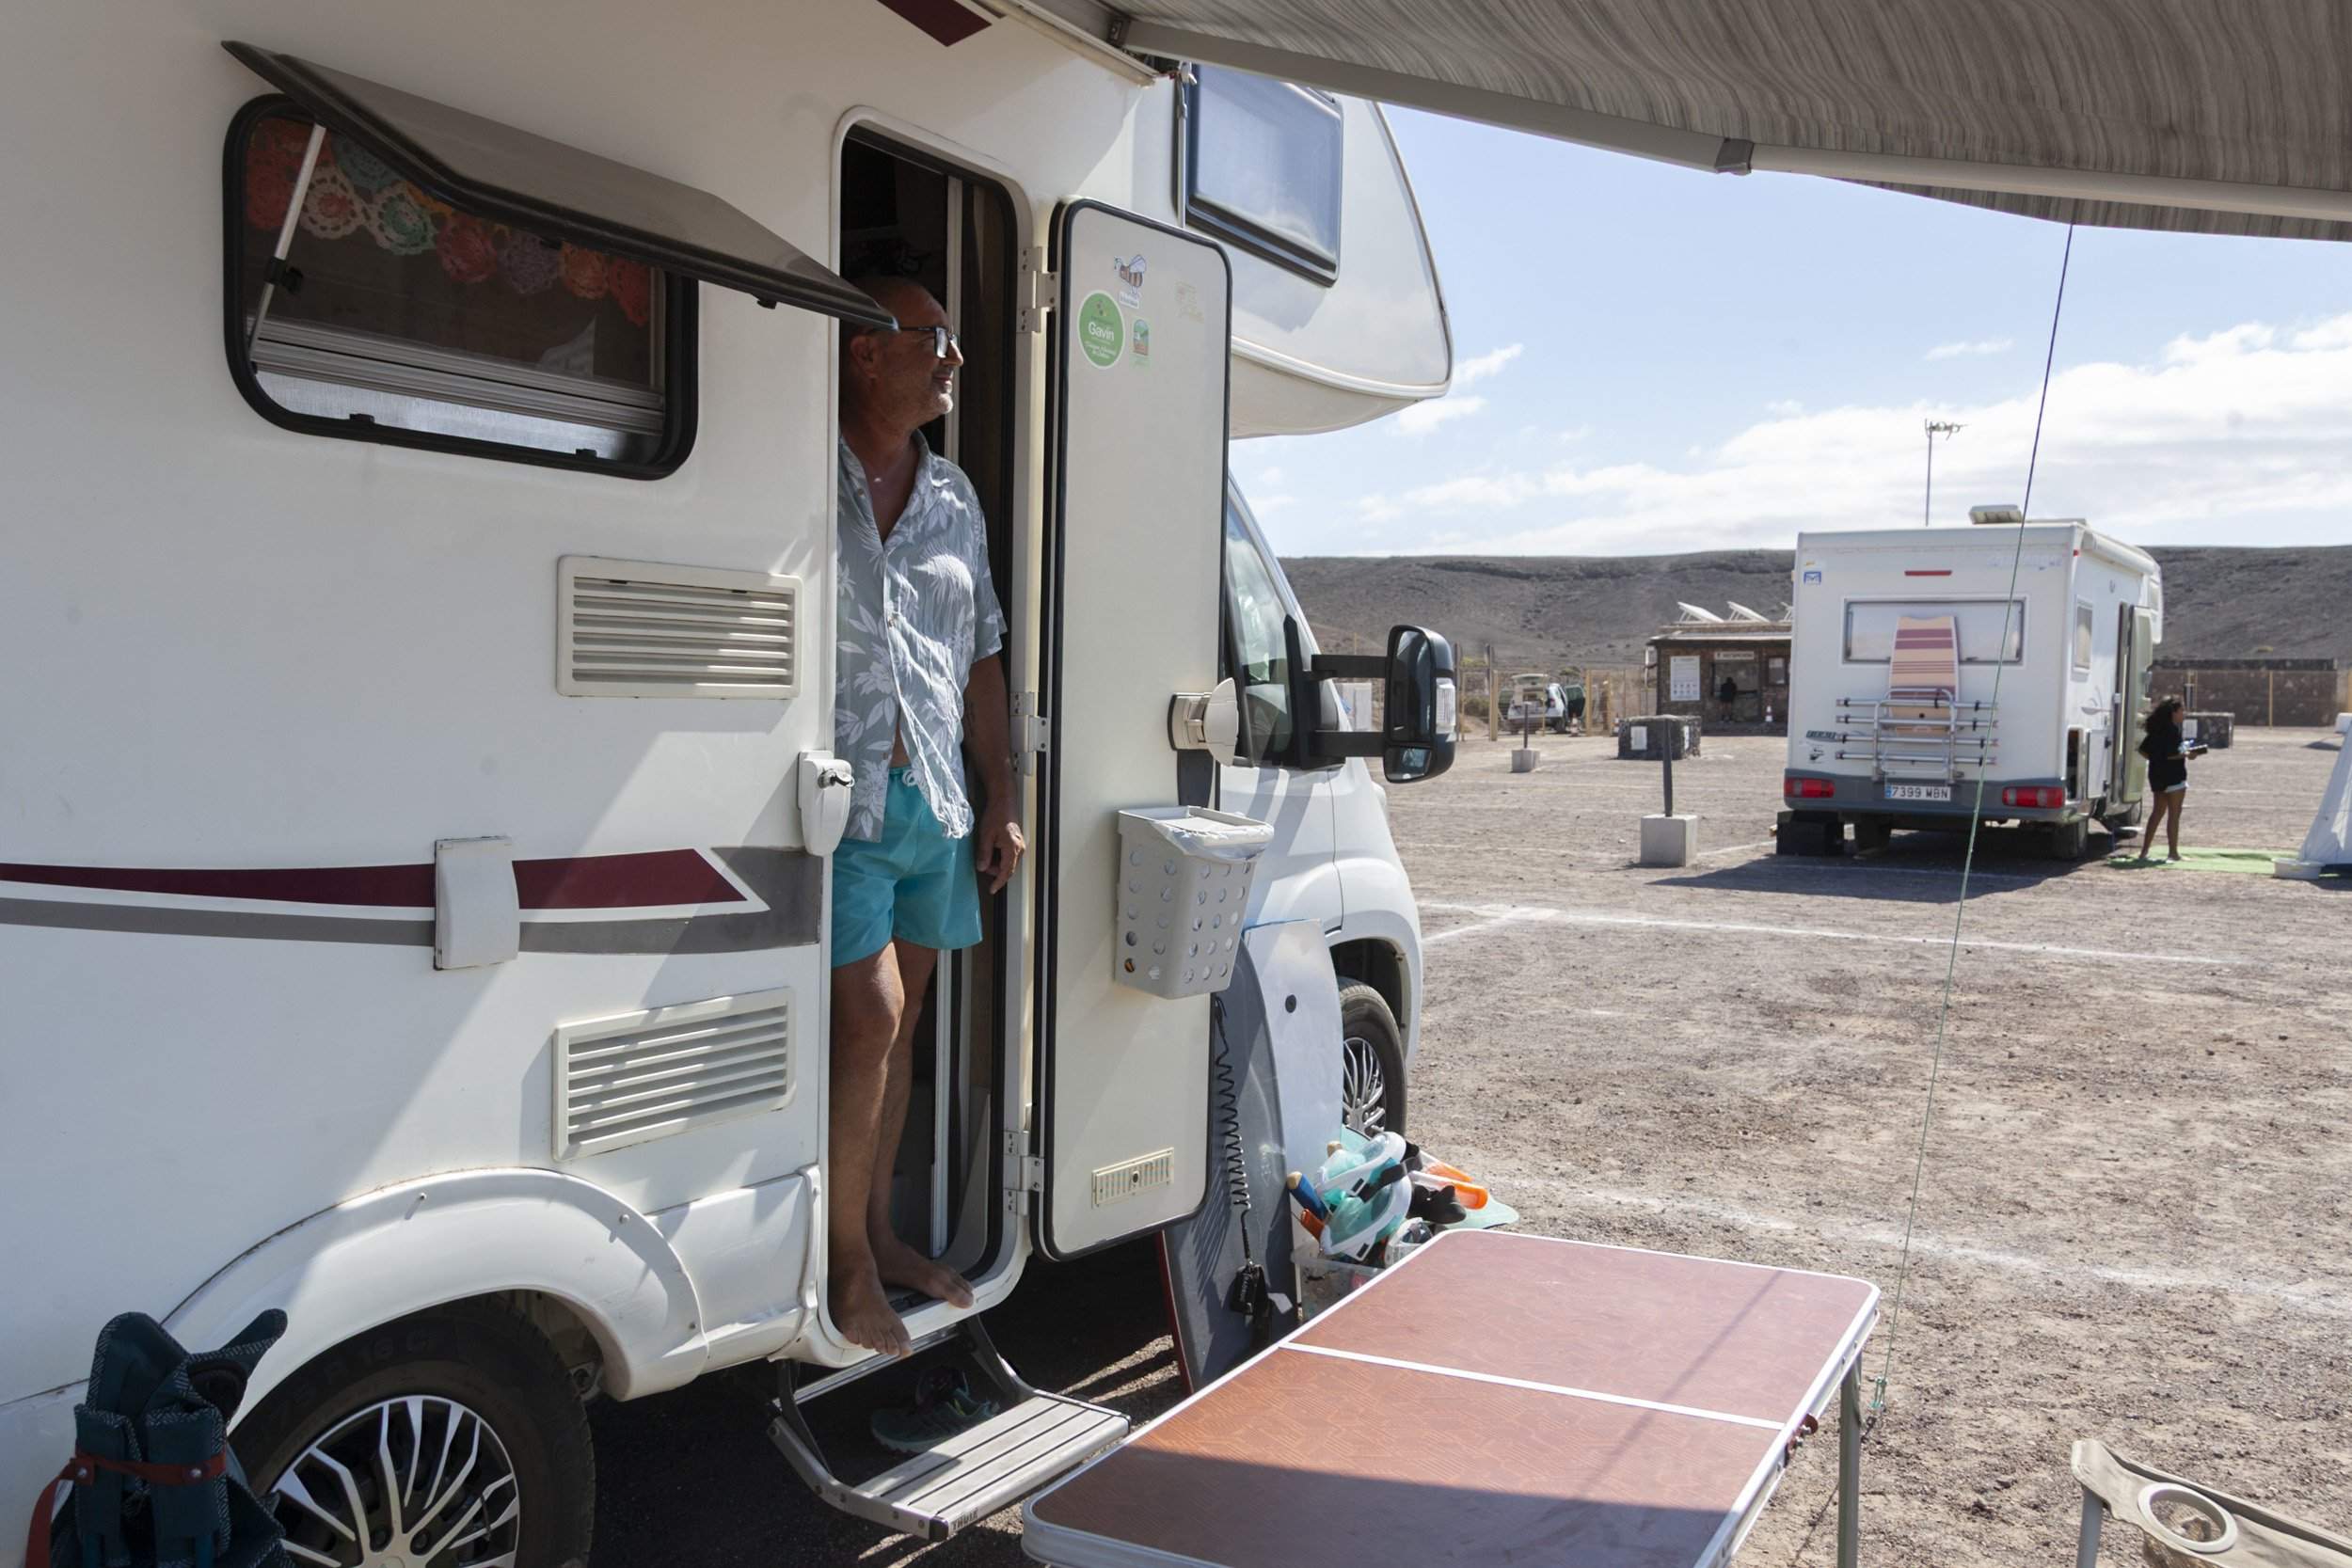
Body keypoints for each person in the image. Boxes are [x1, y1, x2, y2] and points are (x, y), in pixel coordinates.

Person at [829, 274, 1025, 1356]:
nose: (954, 358)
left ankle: (880, 1234)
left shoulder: (951, 492)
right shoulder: (801, 465)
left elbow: (982, 647)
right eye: (936, 337)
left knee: (896, 1031)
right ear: (867, 351)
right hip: (842, 795)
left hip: (935, 802)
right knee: (866, 1016)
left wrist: (1002, 791)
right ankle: (843, 1265)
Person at [2137, 695, 2202, 862]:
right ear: (2174, 712)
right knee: (2174, 815)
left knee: (2157, 813)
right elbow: (2173, 754)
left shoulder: (2156, 730)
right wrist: (2188, 755)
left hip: (2156, 776)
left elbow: (2143, 751)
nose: (2184, 713)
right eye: (2182, 710)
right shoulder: (2173, 730)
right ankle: (2173, 853)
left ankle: (2144, 852)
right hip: (2174, 776)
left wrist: (2157, 759)